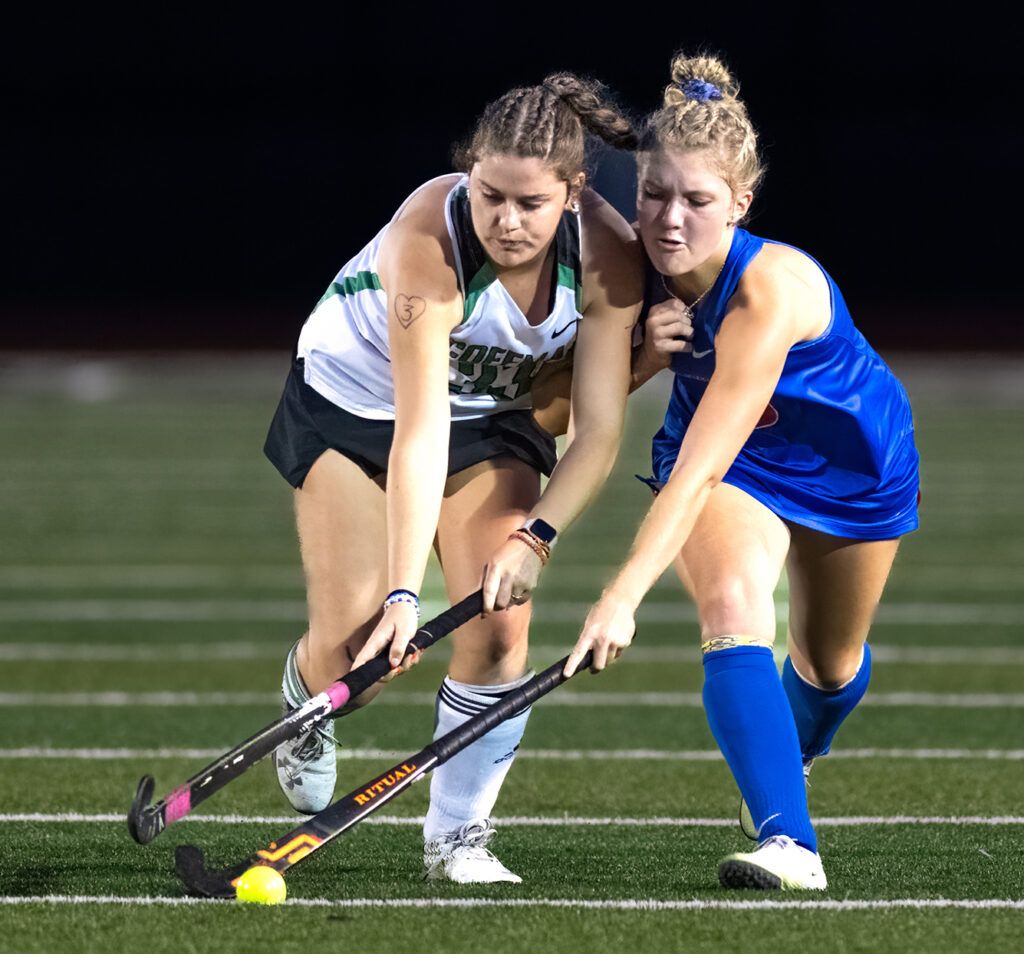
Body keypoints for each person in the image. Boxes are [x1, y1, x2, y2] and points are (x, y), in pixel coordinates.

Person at [262, 74, 643, 884]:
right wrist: (405, 595)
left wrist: (537, 537)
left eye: (530, 204)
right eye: (490, 195)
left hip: (492, 417)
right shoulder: (426, 242)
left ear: (573, 195)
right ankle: (308, 686)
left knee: (502, 626)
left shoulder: (610, 256)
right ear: (469, 173)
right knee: (358, 653)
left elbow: (599, 428)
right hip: (355, 405)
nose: (506, 221)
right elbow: (419, 427)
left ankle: (456, 837)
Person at [566, 52, 919, 891]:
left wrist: (619, 599)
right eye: (654, 194)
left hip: (853, 462)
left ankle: (785, 749)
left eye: (698, 201)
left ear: (740, 205)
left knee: (830, 668)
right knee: (732, 605)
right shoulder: (629, 265)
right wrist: (646, 360)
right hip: (741, 464)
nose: (670, 220)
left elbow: (696, 471)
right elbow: (573, 414)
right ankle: (789, 842)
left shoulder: (767, 292)